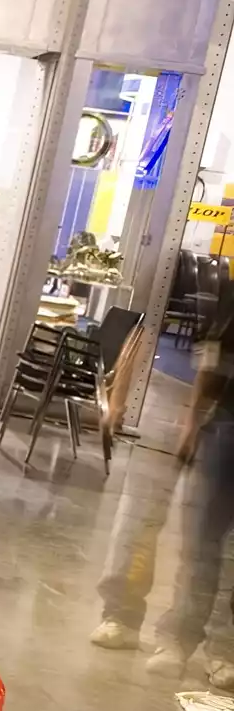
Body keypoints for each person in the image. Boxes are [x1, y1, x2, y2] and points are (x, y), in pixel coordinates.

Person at [134, 289, 234, 686]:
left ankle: (226, 649)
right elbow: (213, 356)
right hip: (227, 426)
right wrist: (193, 423)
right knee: (201, 545)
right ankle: (177, 639)